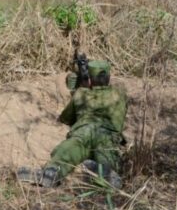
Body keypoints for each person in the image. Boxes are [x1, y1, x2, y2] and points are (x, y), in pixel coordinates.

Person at [19, 60, 128, 188]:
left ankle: (51, 172)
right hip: (107, 134)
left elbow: (65, 118)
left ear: (90, 80)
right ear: (108, 78)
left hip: (83, 131)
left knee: (66, 151)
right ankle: (105, 174)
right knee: (108, 159)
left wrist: (80, 90)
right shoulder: (120, 93)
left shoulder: (81, 94)